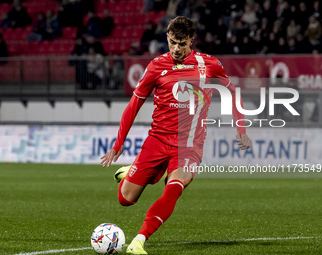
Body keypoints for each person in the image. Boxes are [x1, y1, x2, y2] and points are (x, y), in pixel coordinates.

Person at [101, 16, 251, 255]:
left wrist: (240, 128)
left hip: (190, 145)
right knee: (126, 199)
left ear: (191, 40)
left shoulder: (208, 64)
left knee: (174, 187)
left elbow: (232, 92)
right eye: (172, 42)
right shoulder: (157, 66)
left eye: (182, 43)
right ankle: (132, 171)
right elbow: (134, 104)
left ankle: (139, 240)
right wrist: (119, 144)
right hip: (158, 141)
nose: (176, 49)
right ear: (167, 39)